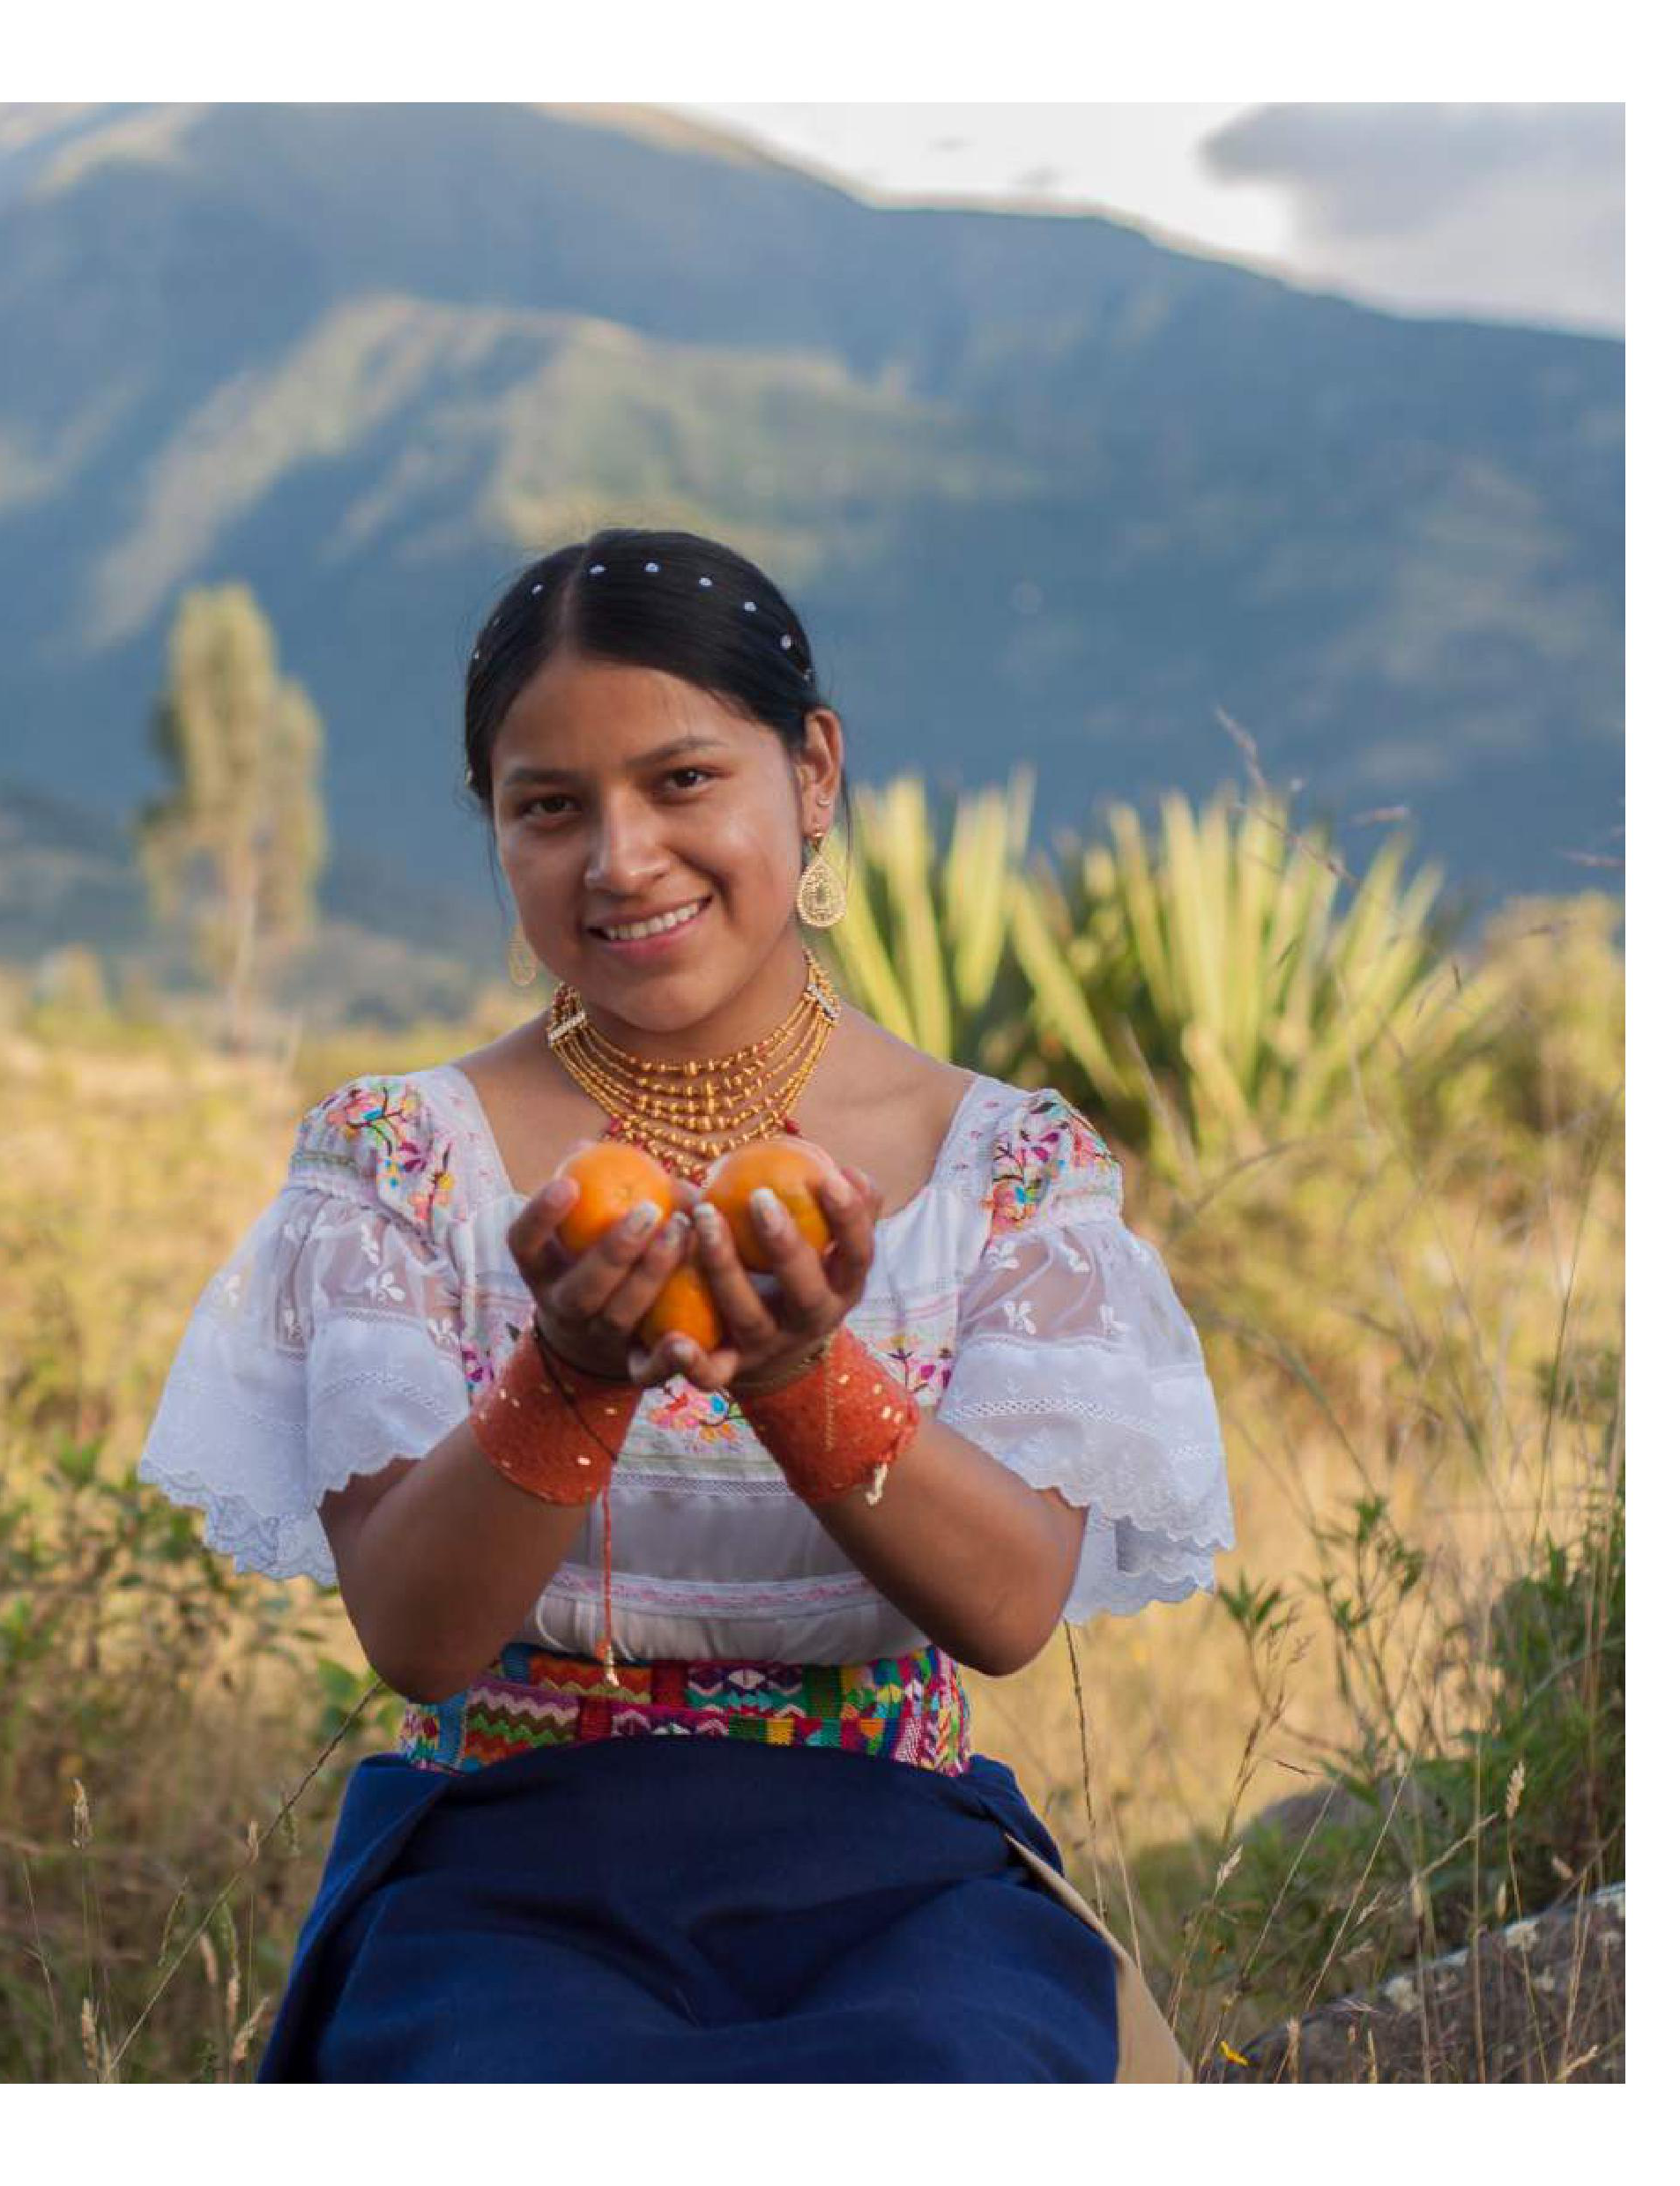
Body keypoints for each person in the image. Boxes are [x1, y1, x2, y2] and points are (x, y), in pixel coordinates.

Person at [136, 528, 1233, 2083]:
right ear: (496, 831)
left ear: (815, 773)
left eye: (683, 782)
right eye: (549, 808)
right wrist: (573, 1371)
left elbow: (1004, 1613)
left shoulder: (1001, 1166)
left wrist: (796, 1371)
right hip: (498, 1887)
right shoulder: (400, 1160)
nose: (621, 859)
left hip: (906, 1887)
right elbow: (418, 1635)